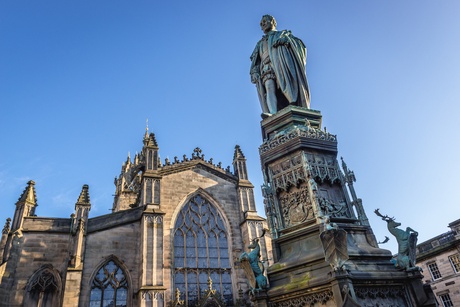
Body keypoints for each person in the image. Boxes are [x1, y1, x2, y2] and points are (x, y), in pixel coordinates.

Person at [250, 15, 310, 118]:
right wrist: (254, 72)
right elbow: (255, 62)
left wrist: (286, 42)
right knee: (269, 87)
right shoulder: (259, 44)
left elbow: (300, 46)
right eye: (261, 24)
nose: (263, 24)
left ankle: (293, 104)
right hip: (266, 66)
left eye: (265, 21)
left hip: (281, 64)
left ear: (272, 21)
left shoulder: (283, 34)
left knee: (285, 85)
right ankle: (273, 113)